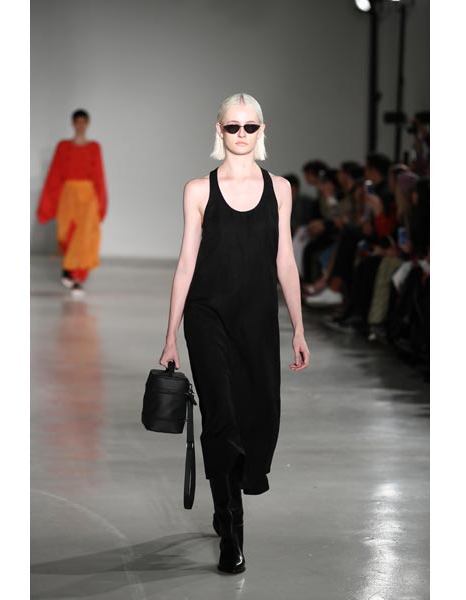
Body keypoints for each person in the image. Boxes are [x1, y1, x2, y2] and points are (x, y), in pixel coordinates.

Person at [158, 92, 310, 574]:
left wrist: (299, 328)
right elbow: (186, 263)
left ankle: (228, 498)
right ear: (218, 130)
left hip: (257, 318)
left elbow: (285, 261)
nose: (241, 135)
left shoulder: (280, 189)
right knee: (221, 420)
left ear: (262, 130)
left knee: (257, 420)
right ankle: (231, 527)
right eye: (232, 126)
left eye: (249, 126)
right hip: (208, 317)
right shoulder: (197, 191)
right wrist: (171, 335)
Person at [36, 109, 108, 298]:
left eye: (84, 122)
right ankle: (68, 270)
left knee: (85, 237)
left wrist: (101, 202)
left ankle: (77, 279)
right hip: (68, 195)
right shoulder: (63, 147)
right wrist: (48, 203)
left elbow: (99, 175)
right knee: (66, 234)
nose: (81, 125)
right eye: (78, 122)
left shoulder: (94, 147)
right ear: (73, 123)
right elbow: (55, 173)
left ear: (88, 124)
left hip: (88, 197)